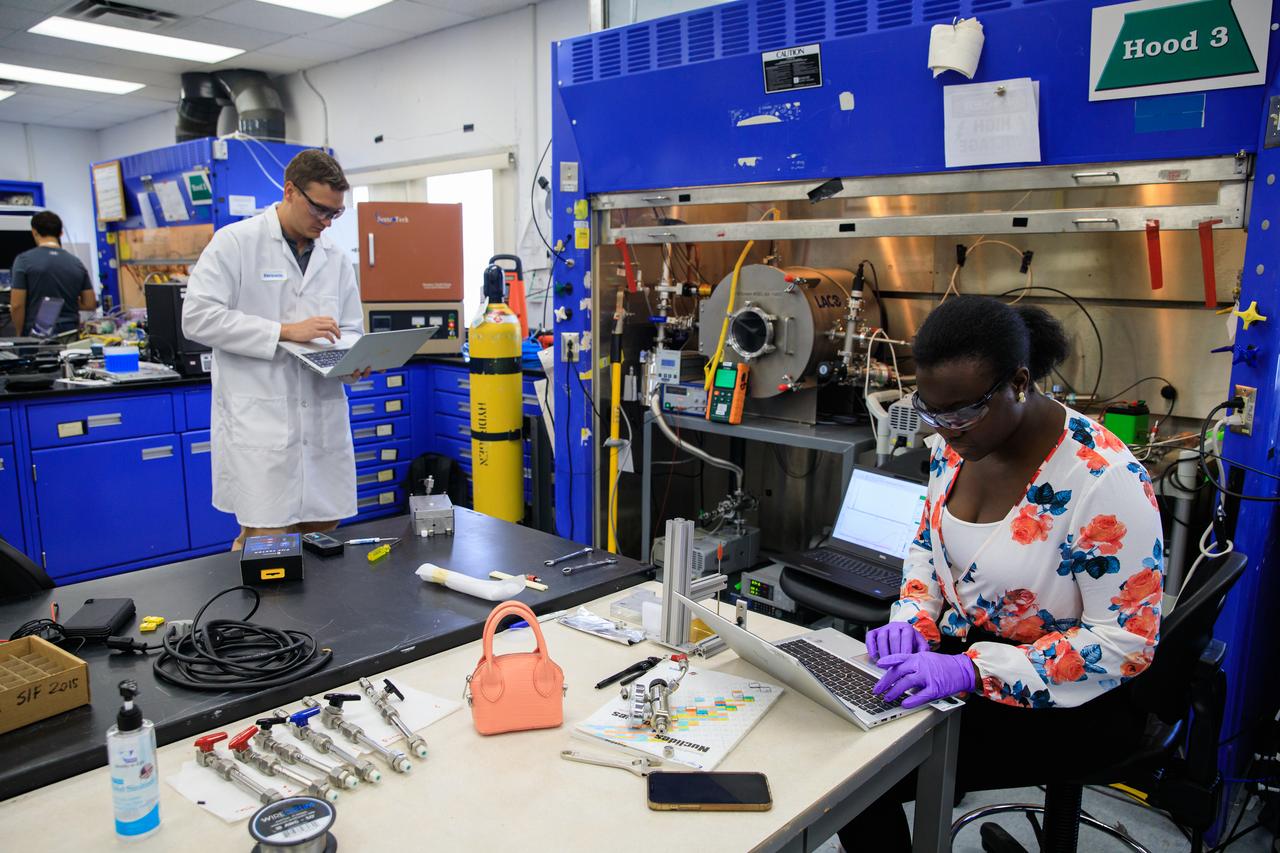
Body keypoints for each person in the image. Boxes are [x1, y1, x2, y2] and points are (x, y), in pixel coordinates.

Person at [838, 295, 1164, 851]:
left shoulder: (1101, 480)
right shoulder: (954, 441)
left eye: (961, 412)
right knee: (848, 741)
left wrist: (971, 671)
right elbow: (927, 545)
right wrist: (914, 617)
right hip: (968, 659)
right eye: (931, 411)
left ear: (1018, 382)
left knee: (865, 779)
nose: (945, 430)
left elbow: (1127, 642)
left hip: (1074, 697)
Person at [183, 149, 371, 551]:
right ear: (290, 191)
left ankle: (314, 615)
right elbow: (197, 317)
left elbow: (351, 327)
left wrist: (352, 360)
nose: (326, 222)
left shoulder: (334, 259)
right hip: (261, 419)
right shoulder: (236, 243)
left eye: (335, 214)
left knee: (321, 531)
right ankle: (250, 611)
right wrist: (285, 331)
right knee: (265, 538)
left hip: (321, 416)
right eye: (320, 209)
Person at [9, 210, 96, 336]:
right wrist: (65, 300)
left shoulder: (23, 261)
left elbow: (17, 305)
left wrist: (19, 333)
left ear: (34, 232)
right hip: (69, 332)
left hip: (37, 334)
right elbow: (90, 304)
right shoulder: (76, 263)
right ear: (60, 233)